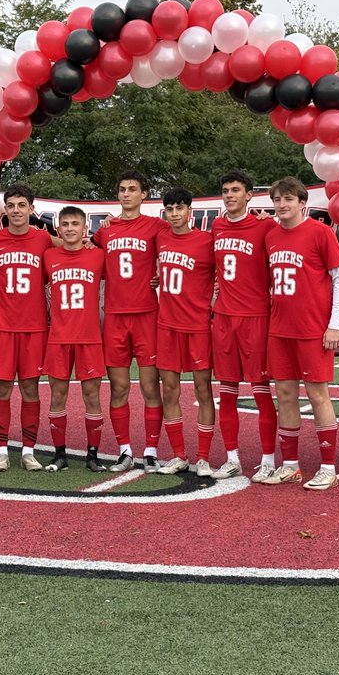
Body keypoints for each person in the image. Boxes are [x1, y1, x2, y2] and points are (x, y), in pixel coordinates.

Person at [259, 176, 339, 489]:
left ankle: (327, 467)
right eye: (277, 200)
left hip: (312, 329)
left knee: (317, 394)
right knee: (284, 394)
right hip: (280, 328)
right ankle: (291, 465)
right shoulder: (271, 235)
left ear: (302, 203)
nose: (282, 205)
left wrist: (335, 324)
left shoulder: (320, 233)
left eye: (288, 199)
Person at [91, 169, 170, 472]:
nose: (126, 194)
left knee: (151, 387)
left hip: (147, 316)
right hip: (114, 316)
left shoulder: (156, 226)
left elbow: (180, 243)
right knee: (119, 386)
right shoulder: (105, 231)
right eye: (122, 189)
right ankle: (125, 450)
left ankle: (150, 449)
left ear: (144, 194)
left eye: (132, 189)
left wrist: (160, 274)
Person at [208, 170, 279, 479]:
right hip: (223, 316)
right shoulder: (217, 225)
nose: (229, 195)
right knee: (227, 391)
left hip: (256, 317)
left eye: (236, 190)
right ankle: (232, 457)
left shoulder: (265, 226)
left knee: (261, 391)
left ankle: (267, 459)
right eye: (225, 190)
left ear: (250, 195)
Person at [0, 184, 56, 472]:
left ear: (30, 209)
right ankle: (1, 450)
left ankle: (28, 451)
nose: (15, 210)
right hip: (2, 327)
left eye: (21, 205)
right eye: (11, 205)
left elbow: (72, 247)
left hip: (35, 327)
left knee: (30, 389)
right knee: (0, 389)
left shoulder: (43, 239)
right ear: (5, 210)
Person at [153, 188, 217, 476]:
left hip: (198, 326)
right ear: (165, 212)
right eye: (170, 209)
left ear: (190, 211)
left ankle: (202, 457)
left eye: (180, 208)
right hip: (167, 325)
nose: (175, 213)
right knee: (170, 390)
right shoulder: (161, 238)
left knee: (203, 390)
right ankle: (179, 454)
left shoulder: (207, 240)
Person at [43, 206, 109, 472]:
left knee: (92, 396)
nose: (70, 228)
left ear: (85, 230)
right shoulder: (48, 256)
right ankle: (60, 454)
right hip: (58, 337)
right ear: (59, 230)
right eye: (65, 224)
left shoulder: (99, 257)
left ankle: (92, 455)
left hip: (89, 337)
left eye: (75, 224)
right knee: (57, 396)